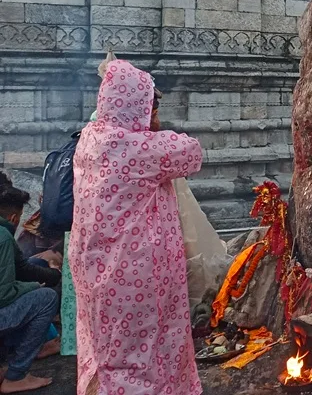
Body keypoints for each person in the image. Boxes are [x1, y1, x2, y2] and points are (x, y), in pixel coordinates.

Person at [70, 60, 204, 395]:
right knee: (139, 359)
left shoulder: (90, 138)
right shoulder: (137, 148)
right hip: (133, 277)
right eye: (151, 109)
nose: (154, 118)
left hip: (93, 270)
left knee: (106, 350)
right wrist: (153, 131)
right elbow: (192, 153)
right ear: (136, 108)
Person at [0, 175, 58, 392]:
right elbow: (4, 294)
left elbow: (21, 268)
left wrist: (47, 275)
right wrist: (35, 287)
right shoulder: (4, 237)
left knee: (33, 265)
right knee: (45, 299)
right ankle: (16, 376)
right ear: (14, 217)